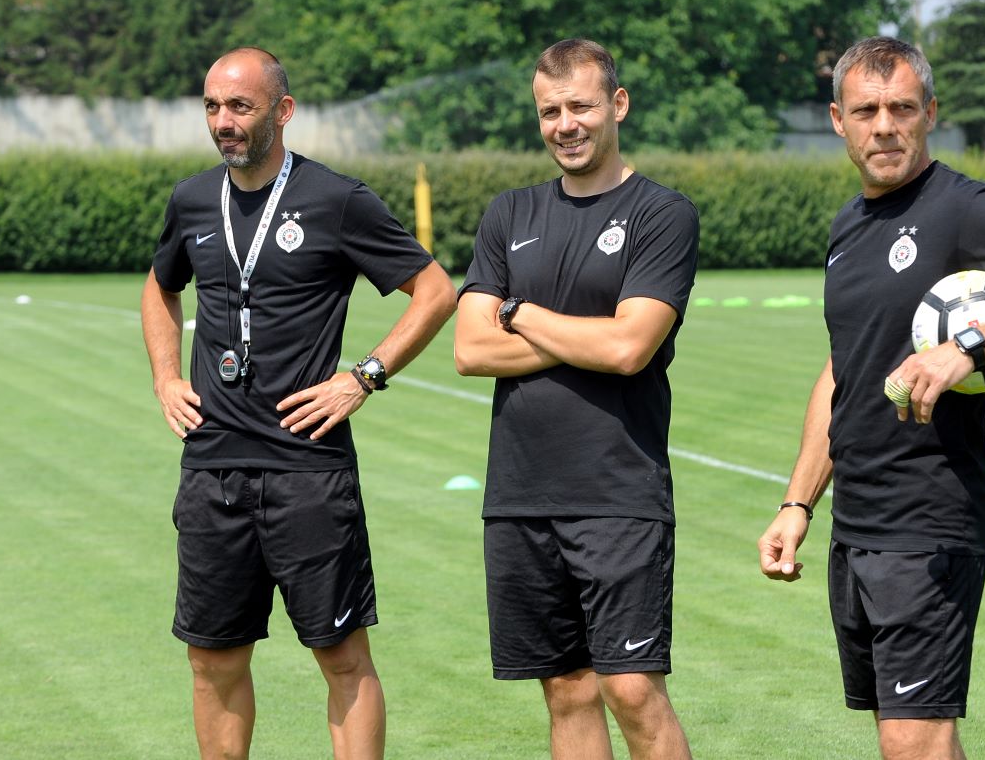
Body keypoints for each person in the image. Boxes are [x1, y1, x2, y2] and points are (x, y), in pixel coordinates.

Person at [757, 36, 985, 760]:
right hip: (857, 522)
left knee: (910, 739)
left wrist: (967, 346)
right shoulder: (847, 229)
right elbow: (842, 372)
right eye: (866, 110)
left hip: (931, 516)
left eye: (902, 108)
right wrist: (798, 503)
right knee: (919, 736)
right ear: (837, 120)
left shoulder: (966, 208)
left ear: (930, 114)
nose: (884, 125)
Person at [140, 46, 455, 760]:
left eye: (240, 107)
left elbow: (436, 292)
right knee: (212, 661)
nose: (224, 122)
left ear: (282, 111)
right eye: (213, 107)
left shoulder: (336, 199)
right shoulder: (192, 199)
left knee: (342, 658)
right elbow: (159, 287)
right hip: (212, 470)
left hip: (307, 473)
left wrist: (363, 376)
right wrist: (165, 376)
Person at [453, 38, 697, 760]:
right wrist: (587, 335)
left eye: (580, 106)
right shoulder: (509, 213)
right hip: (520, 495)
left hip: (618, 493)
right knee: (566, 690)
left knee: (632, 690)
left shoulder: (662, 214)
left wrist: (519, 312)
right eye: (550, 111)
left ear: (616, 105)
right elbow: (469, 351)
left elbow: (631, 349)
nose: (566, 124)